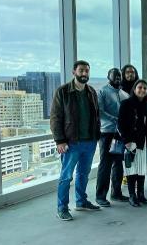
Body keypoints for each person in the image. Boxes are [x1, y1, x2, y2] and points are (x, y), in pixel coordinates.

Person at [51, 60, 101, 221]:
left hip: (90, 141)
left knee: (83, 174)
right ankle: (62, 208)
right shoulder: (63, 91)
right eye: (81, 70)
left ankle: (81, 201)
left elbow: (96, 115)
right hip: (71, 142)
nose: (84, 73)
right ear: (74, 72)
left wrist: (96, 135)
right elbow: (55, 118)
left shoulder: (91, 91)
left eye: (87, 70)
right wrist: (60, 140)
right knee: (66, 176)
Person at [95, 68, 129, 207]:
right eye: (114, 75)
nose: (117, 77)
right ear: (108, 76)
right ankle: (100, 196)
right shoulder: (102, 91)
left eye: (119, 76)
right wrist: (116, 119)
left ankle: (116, 193)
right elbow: (100, 111)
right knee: (105, 165)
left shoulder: (124, 93)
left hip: (121, 134)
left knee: (118, 164)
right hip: (107, 133)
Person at [118, 79, 147, 207]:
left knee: (142, 169)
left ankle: (141, 194)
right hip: (132, 142)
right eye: (140, 87)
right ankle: (132, 196)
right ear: (134, 89)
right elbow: (120, 124)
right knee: (131, 170)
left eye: (145, 88)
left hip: (145, 142)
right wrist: (126, 141)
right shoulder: (126, 104)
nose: (142, 90)